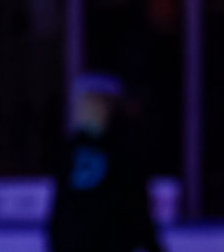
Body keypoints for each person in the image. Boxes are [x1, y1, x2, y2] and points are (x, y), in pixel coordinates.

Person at [47, 72, 165, 252]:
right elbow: (61, 207)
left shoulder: (122, 150)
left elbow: (136, 207)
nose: (86, 111)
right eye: (84, 104)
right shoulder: (72, 149)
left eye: (94, 103)